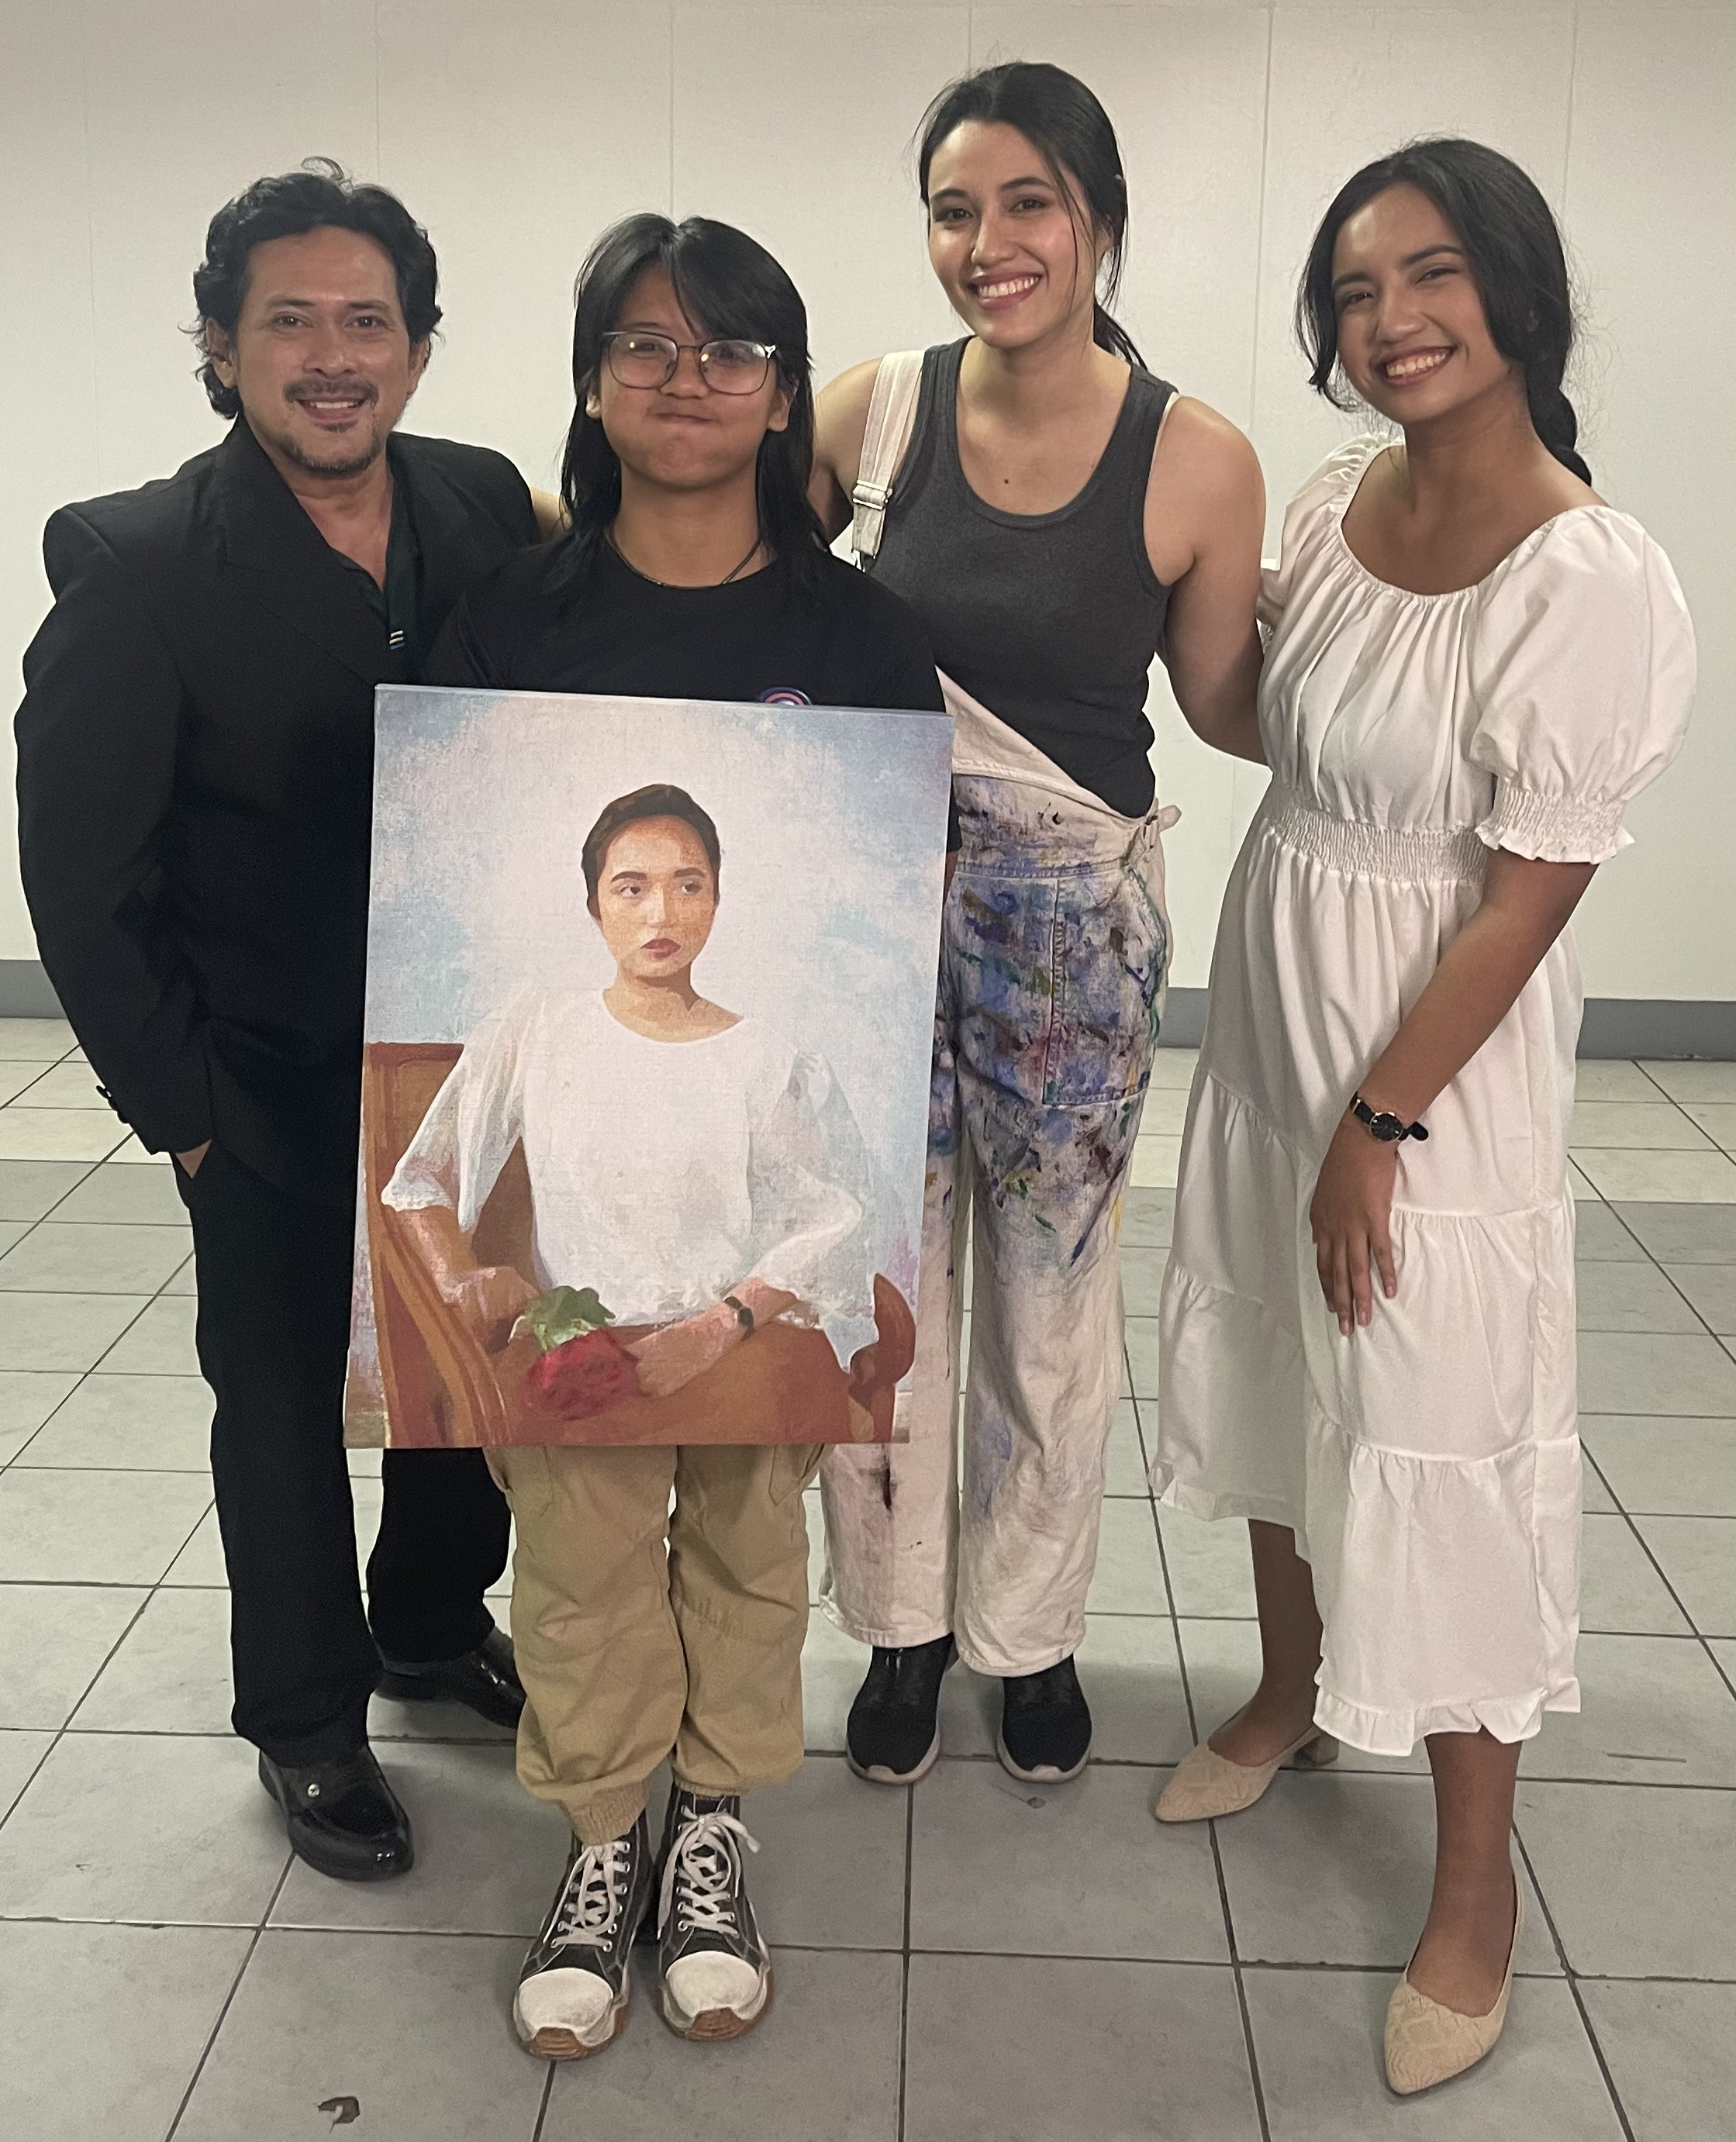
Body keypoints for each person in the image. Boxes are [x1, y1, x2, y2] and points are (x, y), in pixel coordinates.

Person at [1153, 139, 1695, 2094]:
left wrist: (1378, 1123)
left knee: (1439, 1419)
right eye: (1358, 290)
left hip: (1427, 1063)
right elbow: (1268, 721)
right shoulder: (1331, 500)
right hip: (1278, 1005)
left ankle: (1475, 1888)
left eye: (1432, 274)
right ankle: (1291, 1687)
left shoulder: (1588, 570)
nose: (1392, 321)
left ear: (1516, 288)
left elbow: (1531, 892)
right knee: (1284, 1367)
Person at [425, 211, 950, 2059]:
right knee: (576, 1571)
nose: (687, 380)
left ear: (785, 390)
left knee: (745, 1549)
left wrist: (746, 1299)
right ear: (591, 384)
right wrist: (480, 1270)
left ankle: (710, 1826)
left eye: (730, 350)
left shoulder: (857, 635)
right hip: (580, 1293)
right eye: (642, 346)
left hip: (746, 1287)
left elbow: (903, 886)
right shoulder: (512, 623)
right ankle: (599, 1837)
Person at [15, 161, 547, 1883]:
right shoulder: (138, 562)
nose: (334, 356)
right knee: (280, 1398)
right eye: (291, 321)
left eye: (368, 321)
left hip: (467, 1052)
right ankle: (308, 1719)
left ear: (419, 346)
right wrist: (181, 1109)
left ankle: (427, 1621)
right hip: (258, 1074)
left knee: (462, 1363)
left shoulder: (480, 501)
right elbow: (79, 875)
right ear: (222, 347)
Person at [813, 62, 1265, 1787]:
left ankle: (1030, 1632)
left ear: (1099, 220)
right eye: (953, 209)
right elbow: (730, 580)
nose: (987, 243)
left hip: (1070, 933)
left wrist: (1411, 683)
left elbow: (1224, 700)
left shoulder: (1193, 455)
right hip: (872, 907)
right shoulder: (876, 414)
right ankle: (902, 1626)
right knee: (883, 1278)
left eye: (1027, 204)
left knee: (1051, 1299)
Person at [381, 782, 887, 1401]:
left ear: (717, 898)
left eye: (688, 886)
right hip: (585, 1365)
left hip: (734, 1355)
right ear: (595, 905)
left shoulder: (768, 1059)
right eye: (631, 888)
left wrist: (714, 1329)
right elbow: (419, 1180)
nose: (661, 914)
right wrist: (458, 1276)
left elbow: (829, 1221)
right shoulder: (537, 1027)